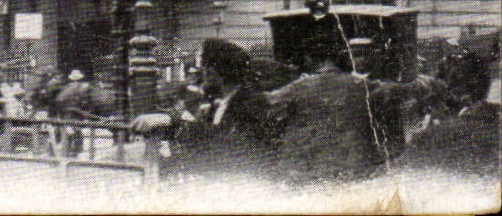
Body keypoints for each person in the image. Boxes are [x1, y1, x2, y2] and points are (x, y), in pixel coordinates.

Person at [133, 38, 280, 180]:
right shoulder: (222, 101)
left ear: (216, 71)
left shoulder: (250, 103)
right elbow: (205, 132)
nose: (201, 72)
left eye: (204, 66)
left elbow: (222, 142)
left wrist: (172, 122)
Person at [265, 37, 390, 184]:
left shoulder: (300, 86)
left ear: (309, 58)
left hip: (309, 164)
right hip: (354, 162)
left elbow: (268, 105)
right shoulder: (363, 84)